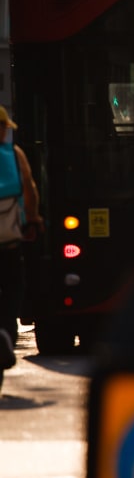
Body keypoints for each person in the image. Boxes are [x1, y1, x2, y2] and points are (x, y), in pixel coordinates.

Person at [0, 107, 42, 347]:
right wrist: (33, 219)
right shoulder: (14, 155)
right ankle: (6, 332)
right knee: (14, 286)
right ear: (4, 128)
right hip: (9, 241)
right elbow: (30, 189)